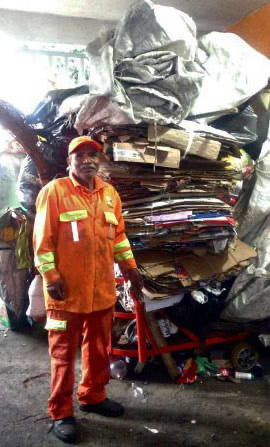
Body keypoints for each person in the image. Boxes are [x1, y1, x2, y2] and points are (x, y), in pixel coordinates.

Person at [33, 136, 142, 443]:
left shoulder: (109, 195)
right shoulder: (54, 193)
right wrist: (51, 277)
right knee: (63, 355)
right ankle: (61, 411)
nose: (87, 160)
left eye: (93, 154)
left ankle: (93, 396)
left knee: (98, 351)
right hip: (64, 296)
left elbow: (118, 237)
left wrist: (131, 269)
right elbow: (42, 243)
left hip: (101, 294)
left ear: (99, 160)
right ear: (70, 161)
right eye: (80, 155)